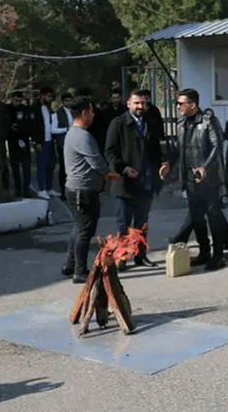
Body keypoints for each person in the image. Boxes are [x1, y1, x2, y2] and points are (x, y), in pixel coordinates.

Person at [161, 89, 227, 271]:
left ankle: (219, 255)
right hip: (189, 178)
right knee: (197, 218)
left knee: (214, 217)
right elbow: (177, 149)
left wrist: (205, 167)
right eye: (178, 103)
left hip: (209, 178)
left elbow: (217, 147)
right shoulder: (182, 124)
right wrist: (168, 164)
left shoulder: (209, 122)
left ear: (193, 105)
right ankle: (204, 252)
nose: (178, 107)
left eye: (181, 103)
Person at [61, 96, 120, 283]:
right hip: (83, 190)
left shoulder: (74, 133)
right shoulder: (82, 136)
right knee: (85, 231)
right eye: (92, 112)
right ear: (85, 113)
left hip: (76, 189)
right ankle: (79, 271)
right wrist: (108, 174)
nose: (94, 116)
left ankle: (70, 265)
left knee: (78, 227)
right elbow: (97, 162)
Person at [105, 89, 164, 271]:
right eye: (136, 103)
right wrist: (123, 168)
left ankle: (140, 256)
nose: (140, 106)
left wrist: (162, 165)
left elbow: (156, 149)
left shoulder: (150, 123)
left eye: (143, 103)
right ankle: (122, 257)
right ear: (128, 103)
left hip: (145, 181)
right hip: (125, 184)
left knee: (141, 223)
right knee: (123, 224)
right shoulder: (119, 123)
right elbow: (110, 152)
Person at [7, 90, 36, 198]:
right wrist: (10, 127)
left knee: (26, 166)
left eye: (20, 100)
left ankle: (27, 188)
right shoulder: (7, 109)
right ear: (12, 98)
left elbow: (29, 124)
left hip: (23, 140)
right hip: (12, 140)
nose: (18, 102)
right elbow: (4, 123)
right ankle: (18, 188)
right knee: (15, 167)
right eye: (16, 100)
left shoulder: (25, 109)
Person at [51, 92, 73, 199]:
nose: (68, 103)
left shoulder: (75, 112)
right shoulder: (57, 114)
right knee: (64, 168)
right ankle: (63, 191)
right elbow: (53, 129)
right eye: (66, 101)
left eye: (70, 100)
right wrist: (66, 129)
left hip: (74, 144)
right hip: (63, 144)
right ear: (62, 102)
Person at [34, 87, 55, 199]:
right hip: (41, 141)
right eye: (47, 96)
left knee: (50, 165)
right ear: (41, 95)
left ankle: (49, 188)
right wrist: (37, 142)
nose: (49, 98)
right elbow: (36, 126)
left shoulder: (47, 108)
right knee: (41, 165)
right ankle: (41, 189)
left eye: (50, 96)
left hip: (49, 140)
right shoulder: (36, 108)